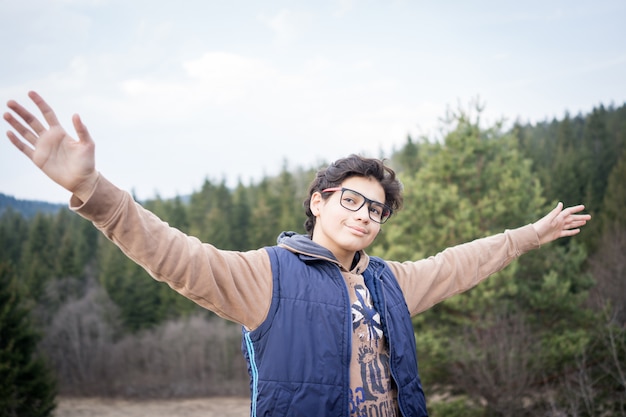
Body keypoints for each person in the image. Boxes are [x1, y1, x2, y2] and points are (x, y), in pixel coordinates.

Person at [3, 91, 590, 417]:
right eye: (353, 200)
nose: (365, 214)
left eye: (377, 209)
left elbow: (461, 262)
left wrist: (531, 235)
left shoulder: (391, 283)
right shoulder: (267, 276)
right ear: (318, 200)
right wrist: (92, 190)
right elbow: (172, 254)